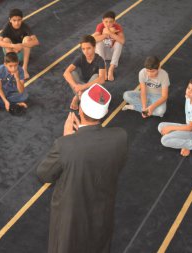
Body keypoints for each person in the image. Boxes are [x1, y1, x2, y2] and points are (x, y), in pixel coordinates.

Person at [37, 84, 128, 253]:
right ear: (105, 112)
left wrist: (67, 138)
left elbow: (44, 174)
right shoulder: (120, 137)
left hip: (71, 217)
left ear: (79, 110)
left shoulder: (65, 145)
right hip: (102, 209)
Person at [158, 77, 192, 159]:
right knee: (161, 126)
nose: (188, 91)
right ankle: (185, 143)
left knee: (164, 140)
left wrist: (170, 128)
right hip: (189, 126)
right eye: (188, 88)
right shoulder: (189, 96)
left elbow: (190, 128)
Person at [63, 35, 106, 110]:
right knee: (72, 73)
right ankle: (81, 96)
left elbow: (102, 79)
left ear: (94, 47)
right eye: (83, 49)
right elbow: (66, 73)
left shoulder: (100, 60)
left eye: (89, 48)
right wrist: (76, 87)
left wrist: (83, 87)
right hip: (81, 84)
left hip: (94, 86)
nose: (86, 51)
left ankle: (77, 97)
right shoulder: (81, 58)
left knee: (96, 76)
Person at [0, 8, 39, 79]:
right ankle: (13, 69)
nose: (17, 23)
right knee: (5, 40)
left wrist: (21, 45)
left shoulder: (25, 26)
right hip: (11, 51)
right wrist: (13, 46)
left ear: (22, 19)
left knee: (27, 39)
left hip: (22, 52)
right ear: (10, 20)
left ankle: (24, 69)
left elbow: (36, 41)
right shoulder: (7, 27)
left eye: (19, 20)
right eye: (14, 20)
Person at [93, 11, 125, 81]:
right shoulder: (100, 26)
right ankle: (103, 68)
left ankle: (111, 69)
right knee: (99, 43)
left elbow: (122, 41)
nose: (108, 24)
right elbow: (93, 40)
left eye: (110, 22)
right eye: (106, 21)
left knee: (119, 43)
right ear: (102, 21)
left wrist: (110, 33)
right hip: (102, 54)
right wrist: (105, 34)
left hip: (111, 54)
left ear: (114, 22)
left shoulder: (117, 27)